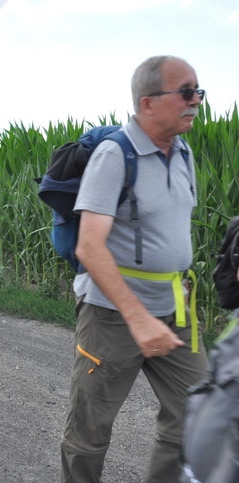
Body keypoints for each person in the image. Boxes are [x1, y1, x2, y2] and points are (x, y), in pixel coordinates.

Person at [60, 55, 209, 483]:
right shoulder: (114, 155)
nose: (195, 100)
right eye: (185, 91)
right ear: (147, 103)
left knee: (196, 410)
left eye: (198, 91)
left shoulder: (184, 152)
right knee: (90, 431)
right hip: (111, 315)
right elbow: (90, 245)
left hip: (174, 312)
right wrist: (138, 319)